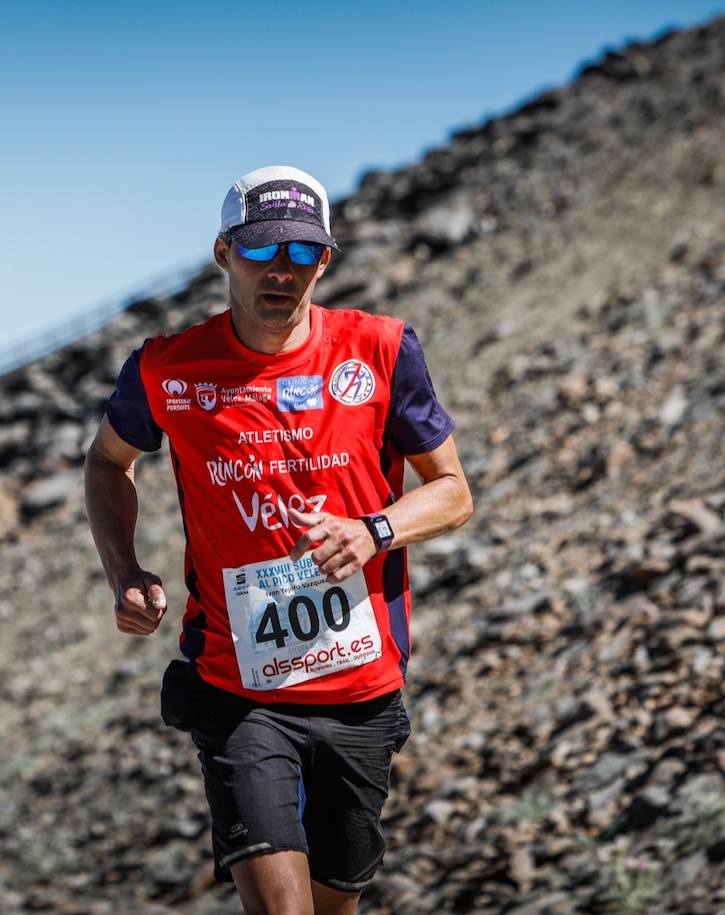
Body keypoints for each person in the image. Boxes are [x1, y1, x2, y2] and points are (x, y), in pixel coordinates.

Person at [84, 165, 472, 915]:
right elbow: (107, 461)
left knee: (335, 904)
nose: (283, 272)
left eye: (301, 254)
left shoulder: (382, 350)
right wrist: (122, 567)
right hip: (239, 689)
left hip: (361, 688)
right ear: (224, 252)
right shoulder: (166, 368)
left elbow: (454, 490)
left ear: (324, 259)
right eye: (263, 252)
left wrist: (373, 531)